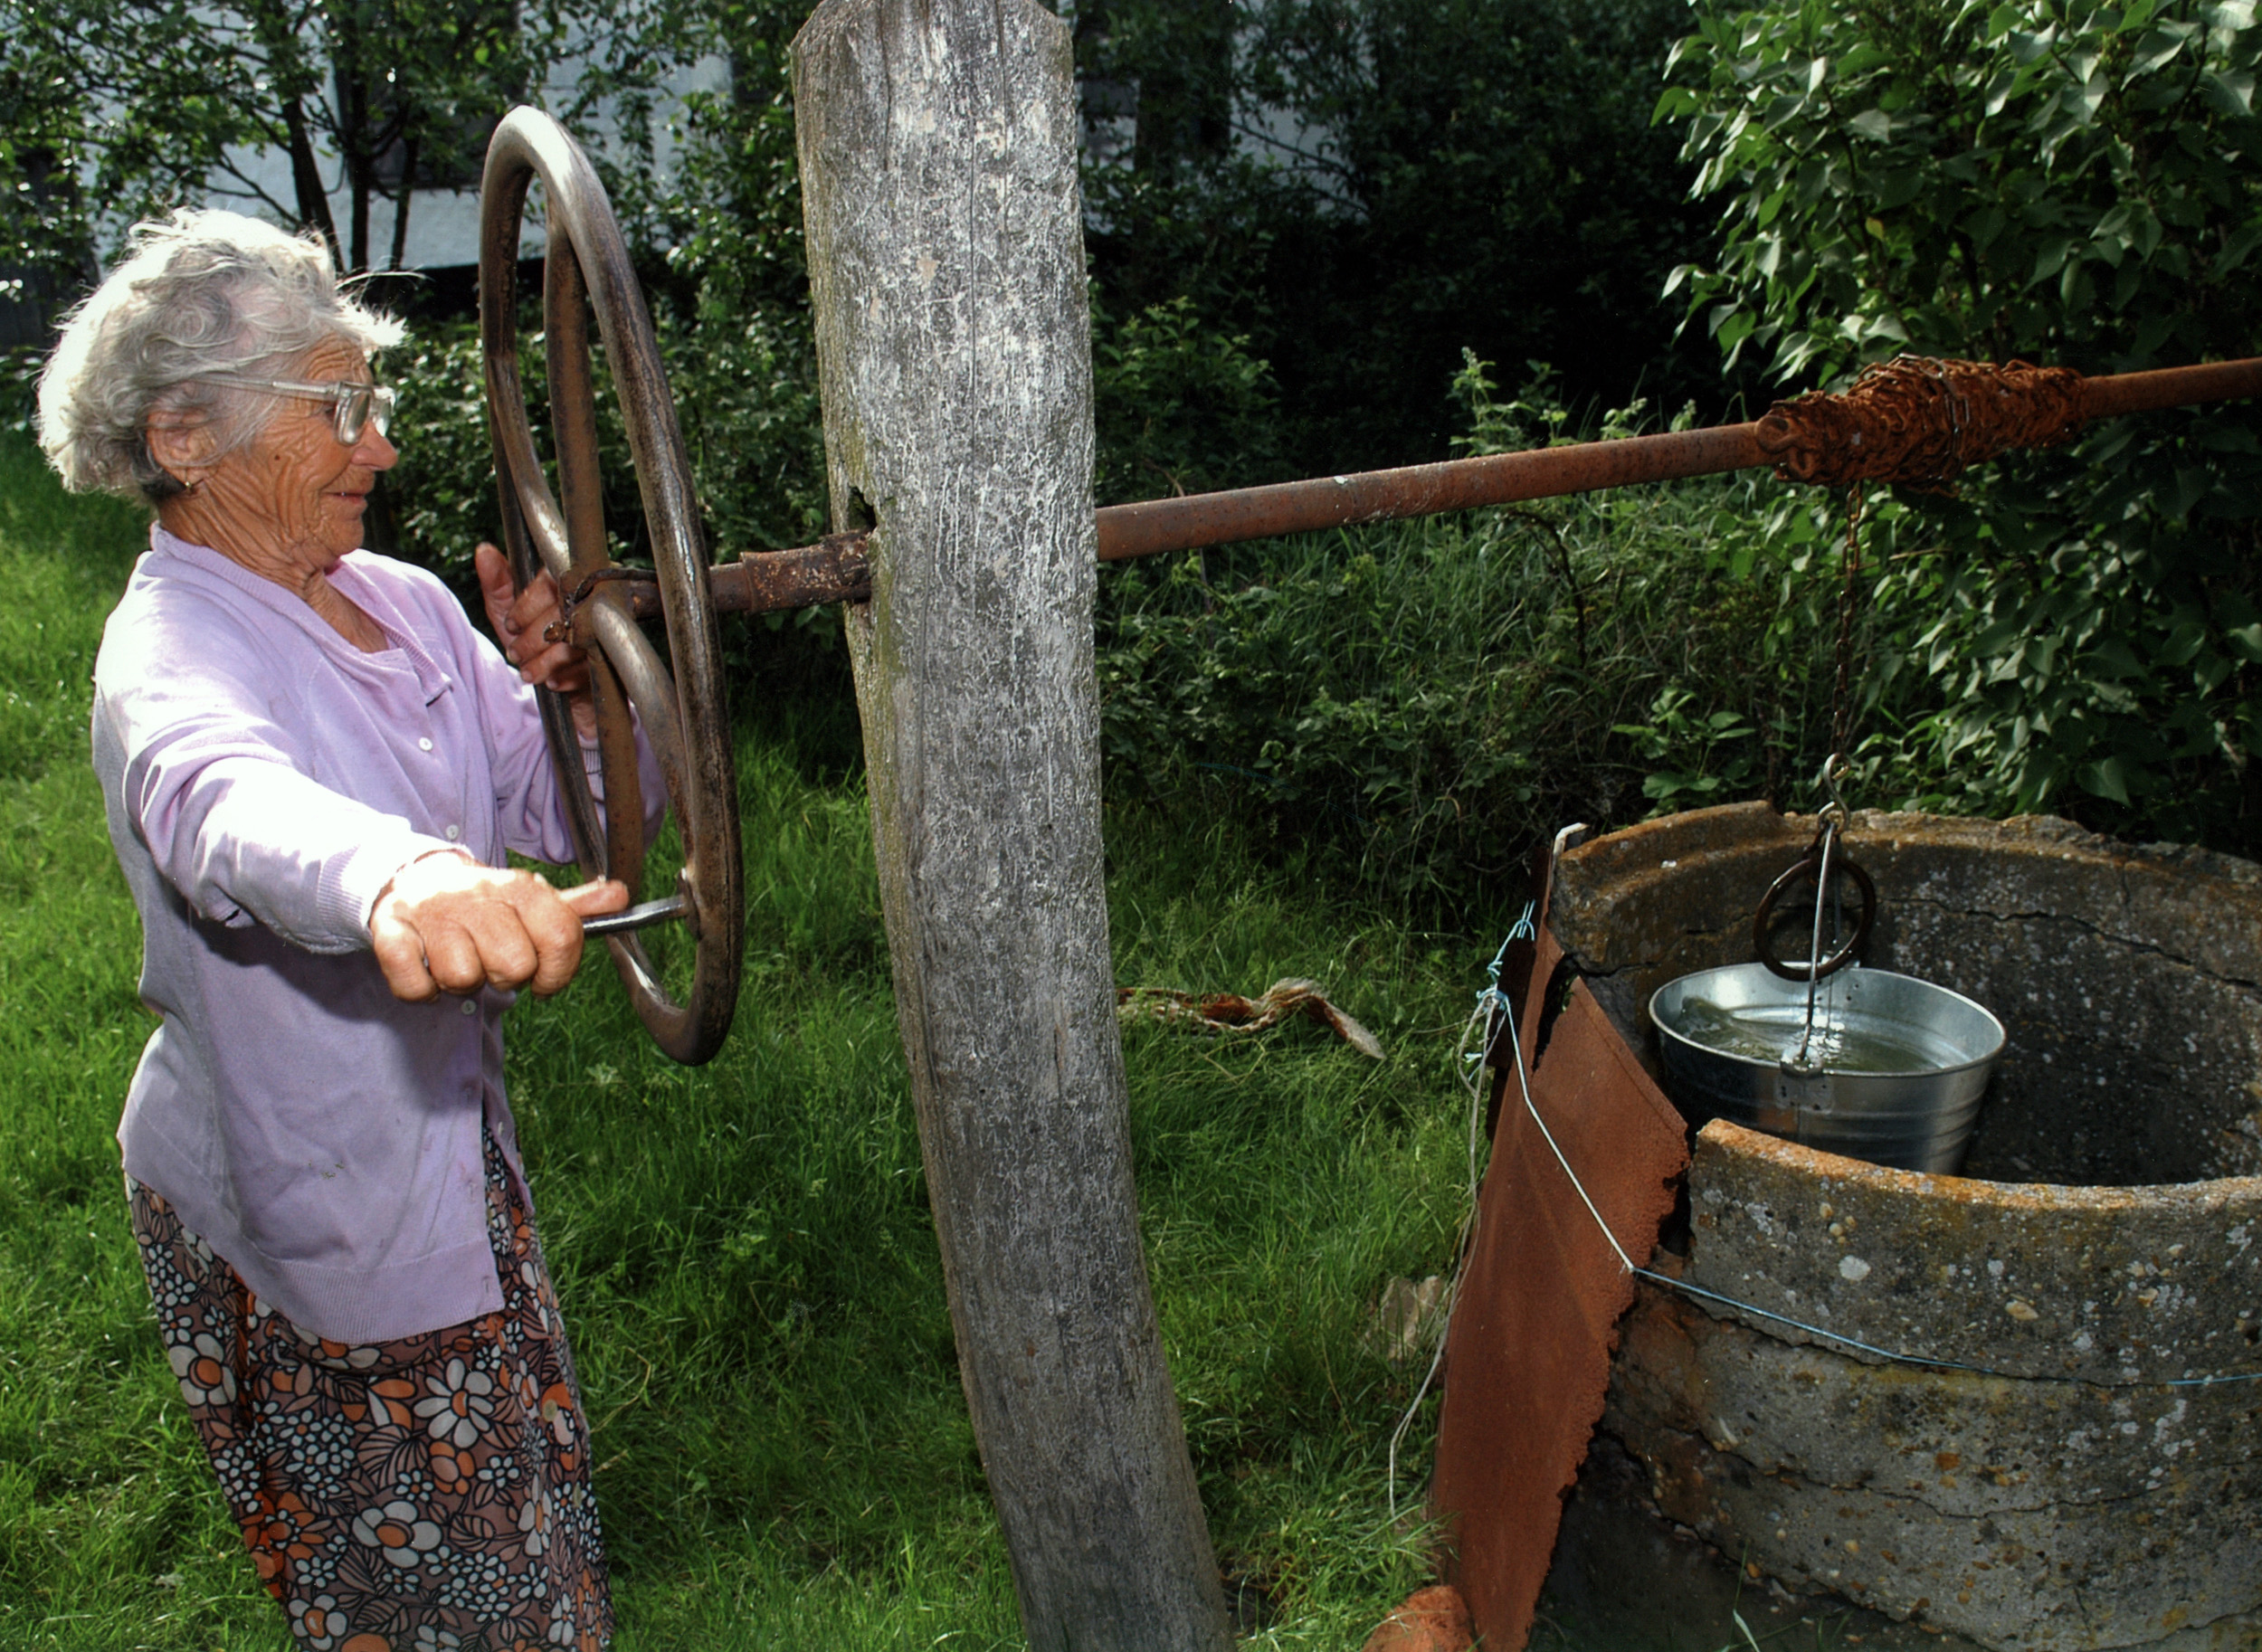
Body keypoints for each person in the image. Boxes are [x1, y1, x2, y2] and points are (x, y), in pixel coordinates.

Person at [38, 206, 647, 1652]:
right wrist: (402, 880)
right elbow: (217, 803)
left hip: (443, 1151)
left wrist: (582, 699)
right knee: (453, 1608)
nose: (381, 447)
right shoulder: (171, 651)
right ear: (186, 436)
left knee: (525, 1556)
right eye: (339, 409)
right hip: (305, 1200)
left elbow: (572, 818)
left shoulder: (405, 603)